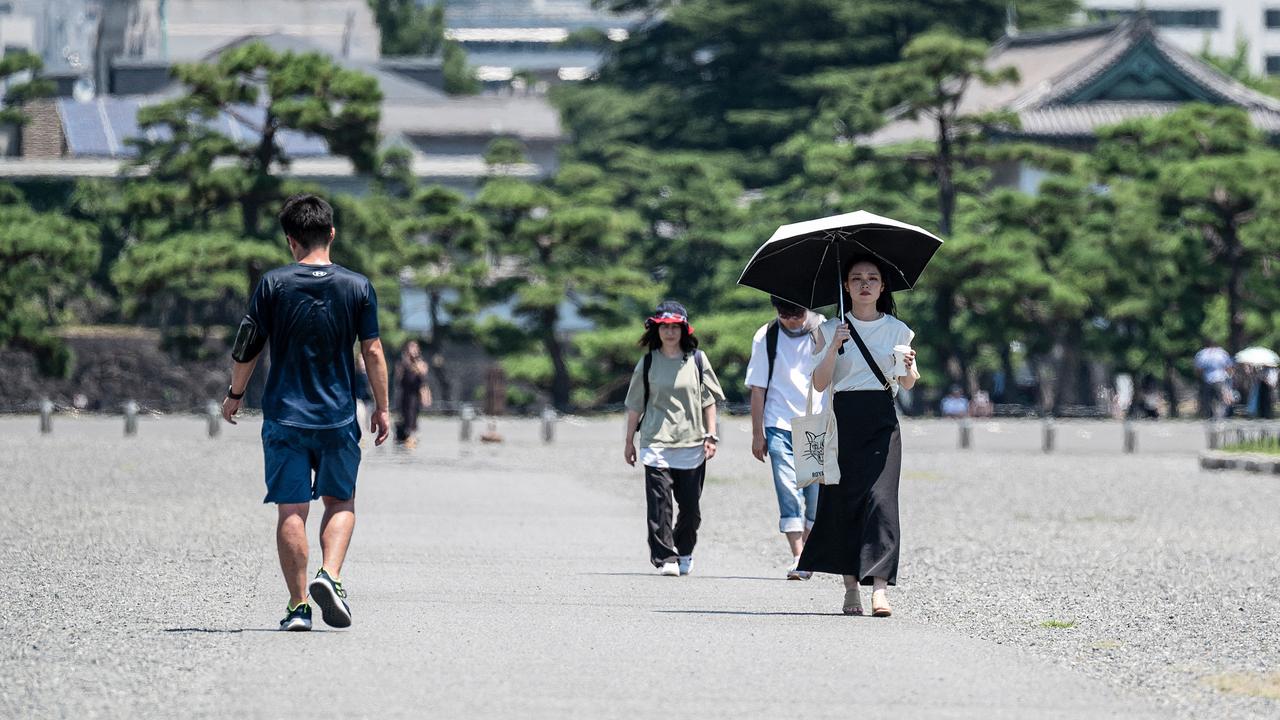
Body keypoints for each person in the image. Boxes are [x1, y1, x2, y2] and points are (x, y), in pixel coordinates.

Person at [221, 194, 390, 632]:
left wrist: (235, 394)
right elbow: (371, 349)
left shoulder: (273, 284)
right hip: (337, 416)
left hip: (284, 416)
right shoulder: (358, 286)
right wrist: (383, 407)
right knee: (341, 499)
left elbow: (248, 345)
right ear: (331, 234)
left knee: (291, 509)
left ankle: (298, 607)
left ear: (290, 241)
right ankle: (330, 575)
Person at [797, 255, 917, 617]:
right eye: (857, 278)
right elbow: (819, 383)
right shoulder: (830, 328)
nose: (865, 284)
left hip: (883, 421)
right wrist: (833, 345)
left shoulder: (899, 330)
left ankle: (880, 588)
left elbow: (907, 382)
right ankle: (851, 587)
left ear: (883, 287)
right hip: (842, 422)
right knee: (843, 504)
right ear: (846, 286)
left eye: (872, 278)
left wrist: (909, 368)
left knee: (882, 503)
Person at [623, 301, 726, 577]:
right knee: (659, 505)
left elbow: (709, 401)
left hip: (692, 443)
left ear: (683, 329)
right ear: (656, 330)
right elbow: (635, 405)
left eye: (674, 327)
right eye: (664, 327)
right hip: (656, 441)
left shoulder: (697, 360)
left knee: (690, 508)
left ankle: (685, 550)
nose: (669, 332)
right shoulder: (647, 363)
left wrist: (711, 435)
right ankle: (665, 556)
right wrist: (628, 441)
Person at [745, 296, 826, 580]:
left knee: (814, 496)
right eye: (785, 314)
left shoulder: (823, 329)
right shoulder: (766, 335)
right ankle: (798, 554)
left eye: (797, 314)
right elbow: (758, 387)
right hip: (778, 422)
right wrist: (758, 433)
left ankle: (807, 552)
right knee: (786, 489)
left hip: (814, 422)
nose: (792, 320)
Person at [394, 340, 431, 449]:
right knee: (405, 414)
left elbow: (423, 377)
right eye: (410, 348)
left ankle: (412, 434)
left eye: (415, 348)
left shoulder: (421, 363)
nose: (412, 350)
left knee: (413, 414)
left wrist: (426, 395)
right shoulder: (402, 363)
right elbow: (398, 378)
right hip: (405, 393)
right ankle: (405, 434)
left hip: (416, 393)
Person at [1194, 340, 1234, 419]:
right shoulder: (1222, 353)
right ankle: (1221, 416)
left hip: (1207, 379)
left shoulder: (1202, 354)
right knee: (1221, 400)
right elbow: (1228, 367)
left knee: (1208, 400)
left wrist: (1200, 378)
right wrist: (1229, 379)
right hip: (1220, 379)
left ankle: (1209, 416)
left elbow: (1198, 369)